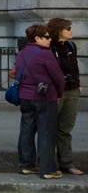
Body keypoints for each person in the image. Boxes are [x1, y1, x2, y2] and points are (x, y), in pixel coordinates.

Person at [13, 24, 65, 179]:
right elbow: (58, 78)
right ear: (37, 38)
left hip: (25, 97)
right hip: (44, 97)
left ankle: (26, 165)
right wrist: (59, 94)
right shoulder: (45, 54)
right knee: (47, 133)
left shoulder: (22, 53)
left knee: (26, 131)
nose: (50, 40)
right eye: (47, 37)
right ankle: (48, 169)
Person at [46, 18, 83, 175]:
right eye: (68, 28)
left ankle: (66, 163)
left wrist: (78, 83)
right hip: (55, 92)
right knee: (49, 128)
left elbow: (74, 66)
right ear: (59, 29)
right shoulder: (49, 46)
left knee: (65, 128)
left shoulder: (70, 45)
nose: (71, 30)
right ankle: (47, 162)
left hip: (72, 90)